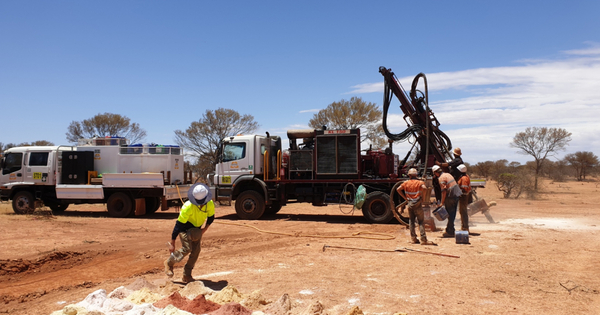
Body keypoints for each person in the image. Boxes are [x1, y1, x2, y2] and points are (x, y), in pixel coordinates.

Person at [164, 182, 215, 283]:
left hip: (197, 230)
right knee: (187, 249)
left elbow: (211, 217)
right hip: (185, 229)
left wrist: (204, 229)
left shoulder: (209, 204)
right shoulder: (187, 207)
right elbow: (178, 225)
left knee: (196, 251)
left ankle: (187, 275)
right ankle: (169, 263)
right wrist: (172, 242)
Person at [397, 168, 436, 245]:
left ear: (409, 175)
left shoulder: (406, 183)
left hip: (410, 203)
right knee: (421, 221)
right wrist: (423, 198)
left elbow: (398, 189)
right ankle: (423, 239)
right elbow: (424, 188)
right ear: (416, 175)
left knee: (411, 221)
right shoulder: (420, 182)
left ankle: (413, 239)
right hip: (418, 203)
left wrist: (405, 198)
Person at [433, 166, 462, 237]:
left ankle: (450, 231)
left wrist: (442, 202)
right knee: (453, 213)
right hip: (457, 195)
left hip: (451, 196)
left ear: (436, 173)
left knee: (450, 213)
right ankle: (450, 229)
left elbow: (444, 191)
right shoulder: (448, 174)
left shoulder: (441, 178)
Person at [456, 164, 471, 232]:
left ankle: (465, 227)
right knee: (462, 211)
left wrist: (457, 191)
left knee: (463, 212)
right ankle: (464, 226)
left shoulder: (464, 178)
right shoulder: (465, 176)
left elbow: (464, 188)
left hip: (463, 196)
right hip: (464, 196)